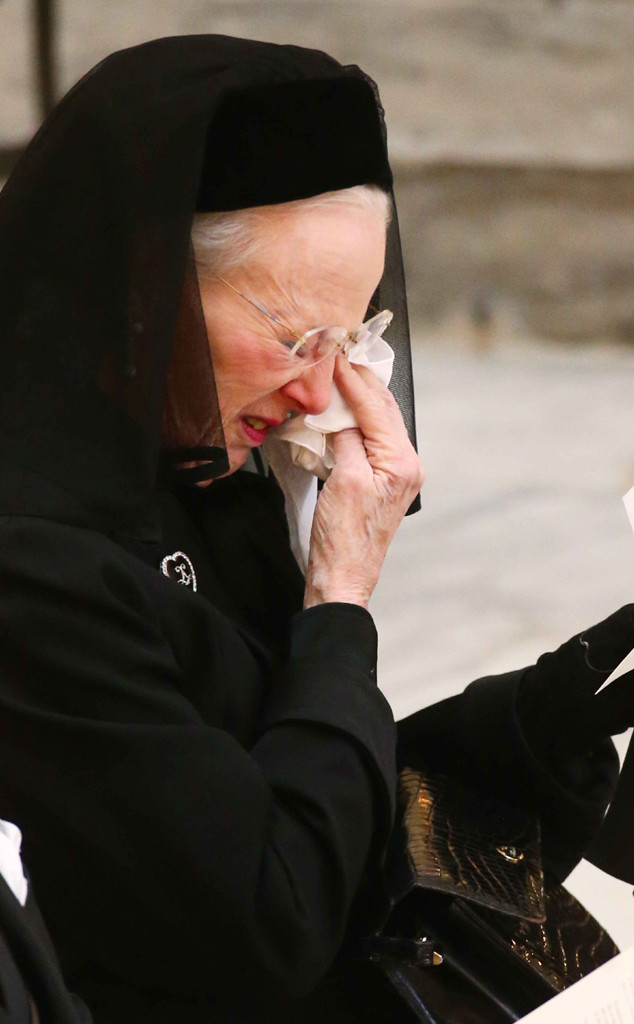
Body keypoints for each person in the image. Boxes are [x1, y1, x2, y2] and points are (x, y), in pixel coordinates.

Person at [0, 34, 631, 1024]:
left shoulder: (191, 460)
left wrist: (515, 732)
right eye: (296, 337)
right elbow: (273, 914)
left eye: (352, 337)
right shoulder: (33, 557)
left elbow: (281, 783)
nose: (322, 391)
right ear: (140, 285)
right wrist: (336, 599)